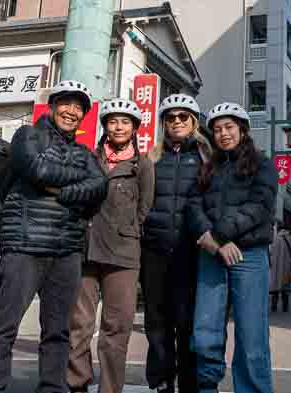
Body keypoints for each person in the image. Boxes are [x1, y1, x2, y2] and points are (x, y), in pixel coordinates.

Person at [0, 80, 109, 393]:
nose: (72, 111)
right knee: (4, 326)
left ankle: (52, 388)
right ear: (52, 106)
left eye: (79, 107)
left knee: (58, 331)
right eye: (66, 103)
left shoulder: (85, 152)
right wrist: (75, 188)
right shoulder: (27, 135)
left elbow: (99, 188)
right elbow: (36, 168)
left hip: (66, 251)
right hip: (24, 244)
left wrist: (59, 190)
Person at [188, 102, 277, 393]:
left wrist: (219, 235)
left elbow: (259, 206)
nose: (223, 134)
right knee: (204, 332)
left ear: (242, 129)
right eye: (216, 129)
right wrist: (208, 237)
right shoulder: (208, 168)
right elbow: (193, 204)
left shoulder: (262, 164)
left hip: (249, 255)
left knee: (252, 337)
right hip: (211, 254)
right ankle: (206, 386)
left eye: (229, 127)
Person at [68, 98, 155, 393]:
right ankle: (77, 382)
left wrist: (126, 230)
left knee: (116, 328)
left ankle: (109, 388)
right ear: (105, 126)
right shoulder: (88, 159)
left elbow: (145, 208)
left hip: (123, 254)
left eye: (125, 122)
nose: (118, 127)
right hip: (86, 249)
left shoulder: (142, 165)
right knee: (79, 323)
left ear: (134, 129)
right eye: (113, 121)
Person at [141, 94, 210, 393]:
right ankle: (161, 381)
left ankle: (189, 382)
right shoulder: (152, 158)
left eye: (183, 117)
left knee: (187, 322)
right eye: (170, 117)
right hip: (155, 249)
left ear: (193, 122)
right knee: (157, 322)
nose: (177, 122)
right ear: (164, 124)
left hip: (191, 251)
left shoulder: (208, 157)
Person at [269, 226, 291, 312]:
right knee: (285, 287)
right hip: (287, 266)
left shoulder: (275, 239)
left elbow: (270, 251)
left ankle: (274, 306)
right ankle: (285, 307)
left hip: (275, 267)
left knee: (275, 287)